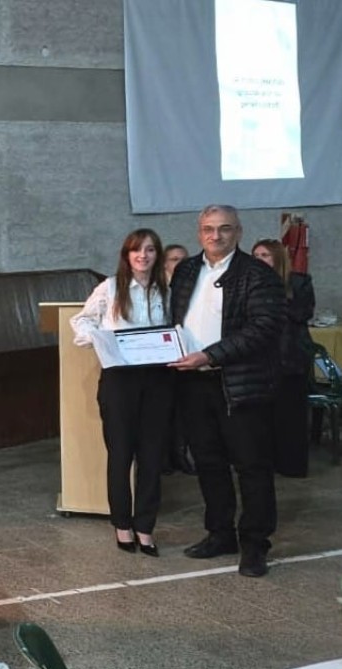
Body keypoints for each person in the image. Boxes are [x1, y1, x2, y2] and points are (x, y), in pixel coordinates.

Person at [169, 205, 285, 578]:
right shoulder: (186, 270)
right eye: (207, 229)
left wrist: (211, 355)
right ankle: (220, 533)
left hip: (239, 384)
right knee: (208, 462)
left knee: (252, 466)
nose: (215, 236)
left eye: (224, 229)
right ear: (198, 231)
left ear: (238, 232)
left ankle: (254, 545)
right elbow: (174, 320)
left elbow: (264, 328)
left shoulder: (258, 274)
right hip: (192, 383)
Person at [70, 228, 173, 557]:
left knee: (152, 456)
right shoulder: (111, 287)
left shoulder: (167, 290)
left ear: (157, 255)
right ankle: (122, 525)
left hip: (157, 378)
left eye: (150, 250)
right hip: (119, 379)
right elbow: (82, 321)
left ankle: (145, 527)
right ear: (127, 255)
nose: (143, 256)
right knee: (121, 455)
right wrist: (101, 341)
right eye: (136, 250)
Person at [252, 238, 316, 478]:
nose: (259, 260)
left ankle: (292, 465)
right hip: (260, 359)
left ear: (277, 258)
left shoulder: (298, 282)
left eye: (265, 256)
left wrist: (275, 295)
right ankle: (266, 462)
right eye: (256, 256)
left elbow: (303, 313)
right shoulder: (250, 283)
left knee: (291, 415)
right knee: (264, 416)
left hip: (290, 357)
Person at [161, 244, 196, 476]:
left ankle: (181, 454)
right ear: (164, 264)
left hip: (187, 355)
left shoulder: (192, 286)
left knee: (184, 410)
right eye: (174, 259)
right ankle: (164, 458)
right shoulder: (158, 289)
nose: (180, 263)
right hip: (161, 357)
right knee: (163, 410)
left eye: (184, 259)